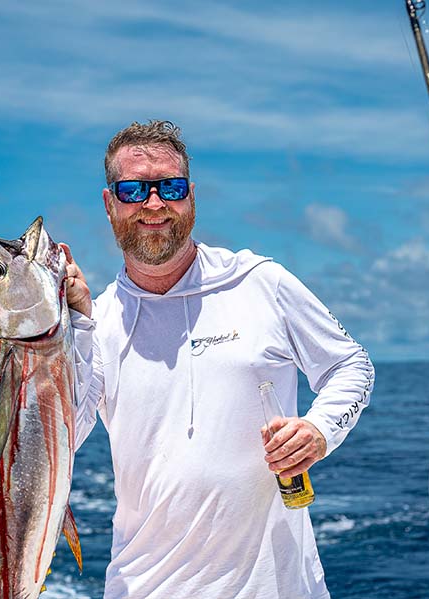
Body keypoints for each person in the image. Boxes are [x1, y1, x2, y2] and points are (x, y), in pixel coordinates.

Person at [61, 120, 374, 599]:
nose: (154, 203)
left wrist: (320, 429)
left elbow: (351, 365)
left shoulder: (259, 281)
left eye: (171, 187)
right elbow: (63, 437)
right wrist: (71, 327)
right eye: (133, 190)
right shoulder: (97, 322)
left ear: (191, 197)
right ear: (110, 204)